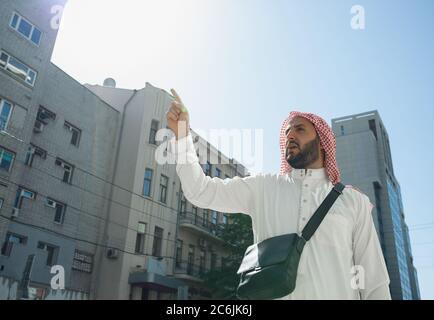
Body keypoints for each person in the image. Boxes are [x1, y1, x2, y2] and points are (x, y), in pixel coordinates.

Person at [166, 89, 391, 300]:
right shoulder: (263, 187)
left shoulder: (353, 202)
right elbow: (200, 191)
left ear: (322, 143)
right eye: (287, 132)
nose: (290, 135)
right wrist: (183, 138)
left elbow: (374, 281)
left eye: (300, 129)